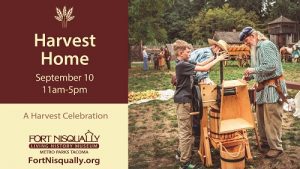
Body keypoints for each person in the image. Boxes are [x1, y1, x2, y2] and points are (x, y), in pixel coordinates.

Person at [172, 39, 228, 169]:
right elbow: (204, 68)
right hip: (183, 101)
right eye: (187, 51)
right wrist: (218, 59)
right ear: (181, 52)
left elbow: (201, 63)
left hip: (186, 100)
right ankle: (184, 163)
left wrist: (215, 57)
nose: (190, 52)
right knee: (185, 132)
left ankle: (180, 152)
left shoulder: (185, 62)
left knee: (187, 129)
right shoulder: (182, 65)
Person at [240, 26, 287, 158]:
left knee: (272, 119)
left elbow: (271, 66)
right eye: (244, 41)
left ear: (254, 35)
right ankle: (265, 143)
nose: (246, 43)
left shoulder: (266, 45)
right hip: (262, 88)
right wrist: (249, 76)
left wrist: (253, 70)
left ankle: (276, 147)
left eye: (246, 39)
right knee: (261, 119)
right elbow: (258, 69)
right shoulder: (255, 49)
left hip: (272, 87)